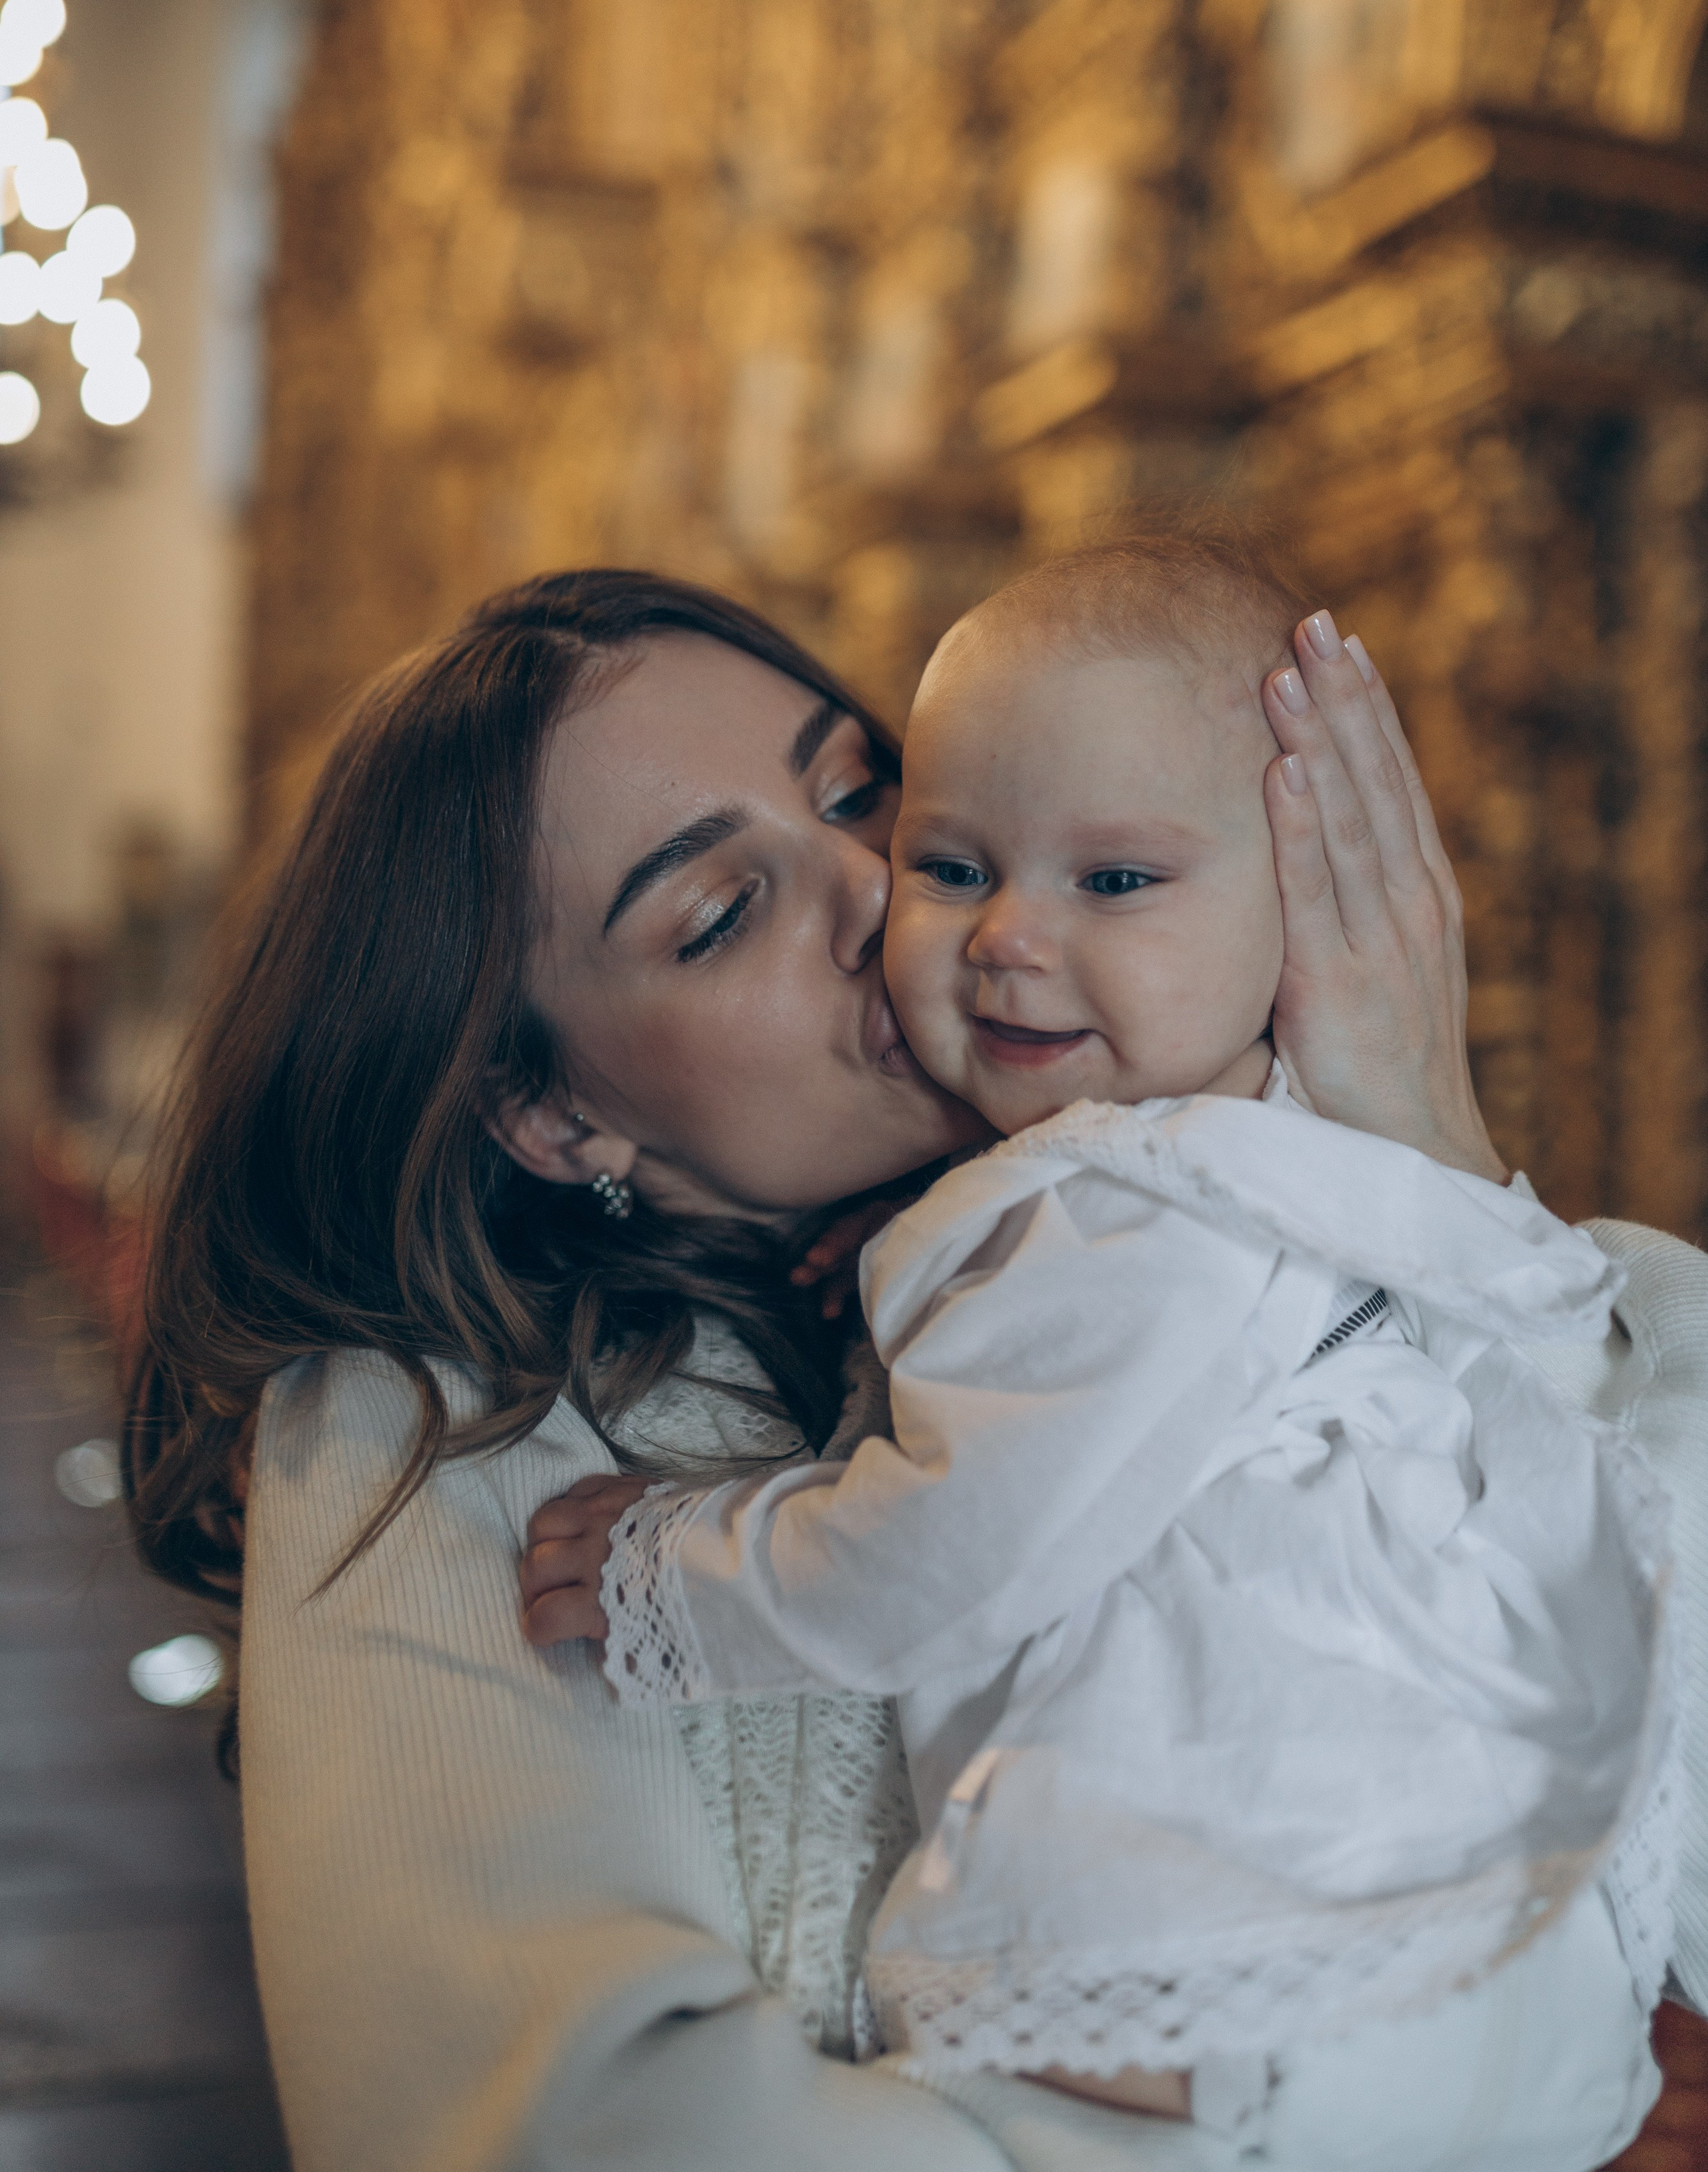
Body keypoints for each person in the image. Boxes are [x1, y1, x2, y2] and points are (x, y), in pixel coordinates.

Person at [127, 566, 1705, 2172]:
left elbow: (1645, 1651)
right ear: (553, 1114)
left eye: (869, 796)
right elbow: (567, 2132)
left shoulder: (1181, 1219)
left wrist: (1421, 1154)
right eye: (721, 911)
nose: (885, 897)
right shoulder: (432, 1432)